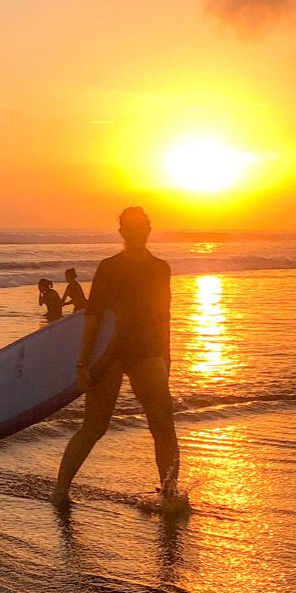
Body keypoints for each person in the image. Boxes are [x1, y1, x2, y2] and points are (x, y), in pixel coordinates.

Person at [51, 206, 178, 508]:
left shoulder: (161, 268)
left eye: (140, 226)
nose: (135, 232)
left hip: (147, 350)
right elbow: (93, 316)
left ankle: (170, 494)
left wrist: (166, 357)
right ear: (122, 232)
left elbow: (163, 316)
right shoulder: (109, 267)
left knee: (163, 425)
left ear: (148, 229)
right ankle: (60, 491)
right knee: (95, 426)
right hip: (110, 351)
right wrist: (83, 362)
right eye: (128, 227)